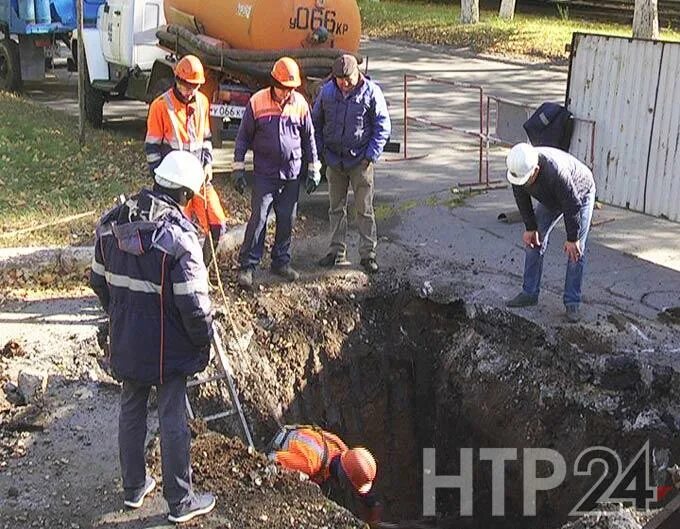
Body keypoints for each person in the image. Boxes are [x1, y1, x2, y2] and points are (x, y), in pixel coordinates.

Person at [90, 151, 216, 524]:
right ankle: (180, 501)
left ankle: (133, 489)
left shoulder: (112, 223)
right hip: (168, 347)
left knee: (131, 405)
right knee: (172, 415)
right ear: (185, 194)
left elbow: (99, 281)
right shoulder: (180, 239)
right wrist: (202, 341)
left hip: (126, 338)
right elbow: (194, 305)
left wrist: (121, 314)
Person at [231, 56, 321, 290]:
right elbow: (242, 138)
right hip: (265, 173)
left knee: (287, 219)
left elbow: (309, 138)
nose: (286, 93)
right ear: (274, 83)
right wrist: (238, 168)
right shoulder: (257, 102)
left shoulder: (300, 103)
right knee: (259, 218)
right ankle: (248, 265)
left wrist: (313, 169)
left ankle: (281, 261)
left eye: (291, 88)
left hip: (291, 173)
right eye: (283, 88)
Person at [145, 54, 228, 266]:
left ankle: (200, 269)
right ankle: (174, 275)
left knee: (217, 223)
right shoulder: (160, 106)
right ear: (177, 80)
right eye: (186, 85)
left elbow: (206, 139)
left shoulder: (202, 102)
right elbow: (152, 148)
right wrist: (160, 180)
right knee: (174, 233)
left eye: (195, 86)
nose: (190, 90)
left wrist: (208, 164)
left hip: (199, 180)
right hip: (172, 186)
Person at [312, 54, 391, 274]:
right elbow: (315, 122)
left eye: (348, 78)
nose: (344, 84)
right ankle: (336, 251)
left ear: (357, 73)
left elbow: (382, 126)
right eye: (340, 79)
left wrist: (370, 155)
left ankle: (368, 254)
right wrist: (321, 152)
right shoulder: (327, 92)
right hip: (334, 161)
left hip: (360, 162)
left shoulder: (372, 92)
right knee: (335, 208)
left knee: (364, 209)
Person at [505, 143, 596, 322]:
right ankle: (529, 293)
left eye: (525, 180)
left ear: (536, 170)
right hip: (552, 198)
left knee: (576, 252)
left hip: (580, 193)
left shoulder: (556, 173)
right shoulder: (518, 169)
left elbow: (572, 205)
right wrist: (530, 227)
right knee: (533, 242)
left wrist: (572, 238)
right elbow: (521, 196)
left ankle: (572, 302)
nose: (521, 183)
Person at [268, 425, 382, 524]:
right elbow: (271, 459)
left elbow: (357, 475)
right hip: (282, 448)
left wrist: (372, 505)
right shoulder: (309, 464)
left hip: (300, 444)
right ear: (343, 478)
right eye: (349, 485)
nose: (348, 488)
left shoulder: (341, 450)